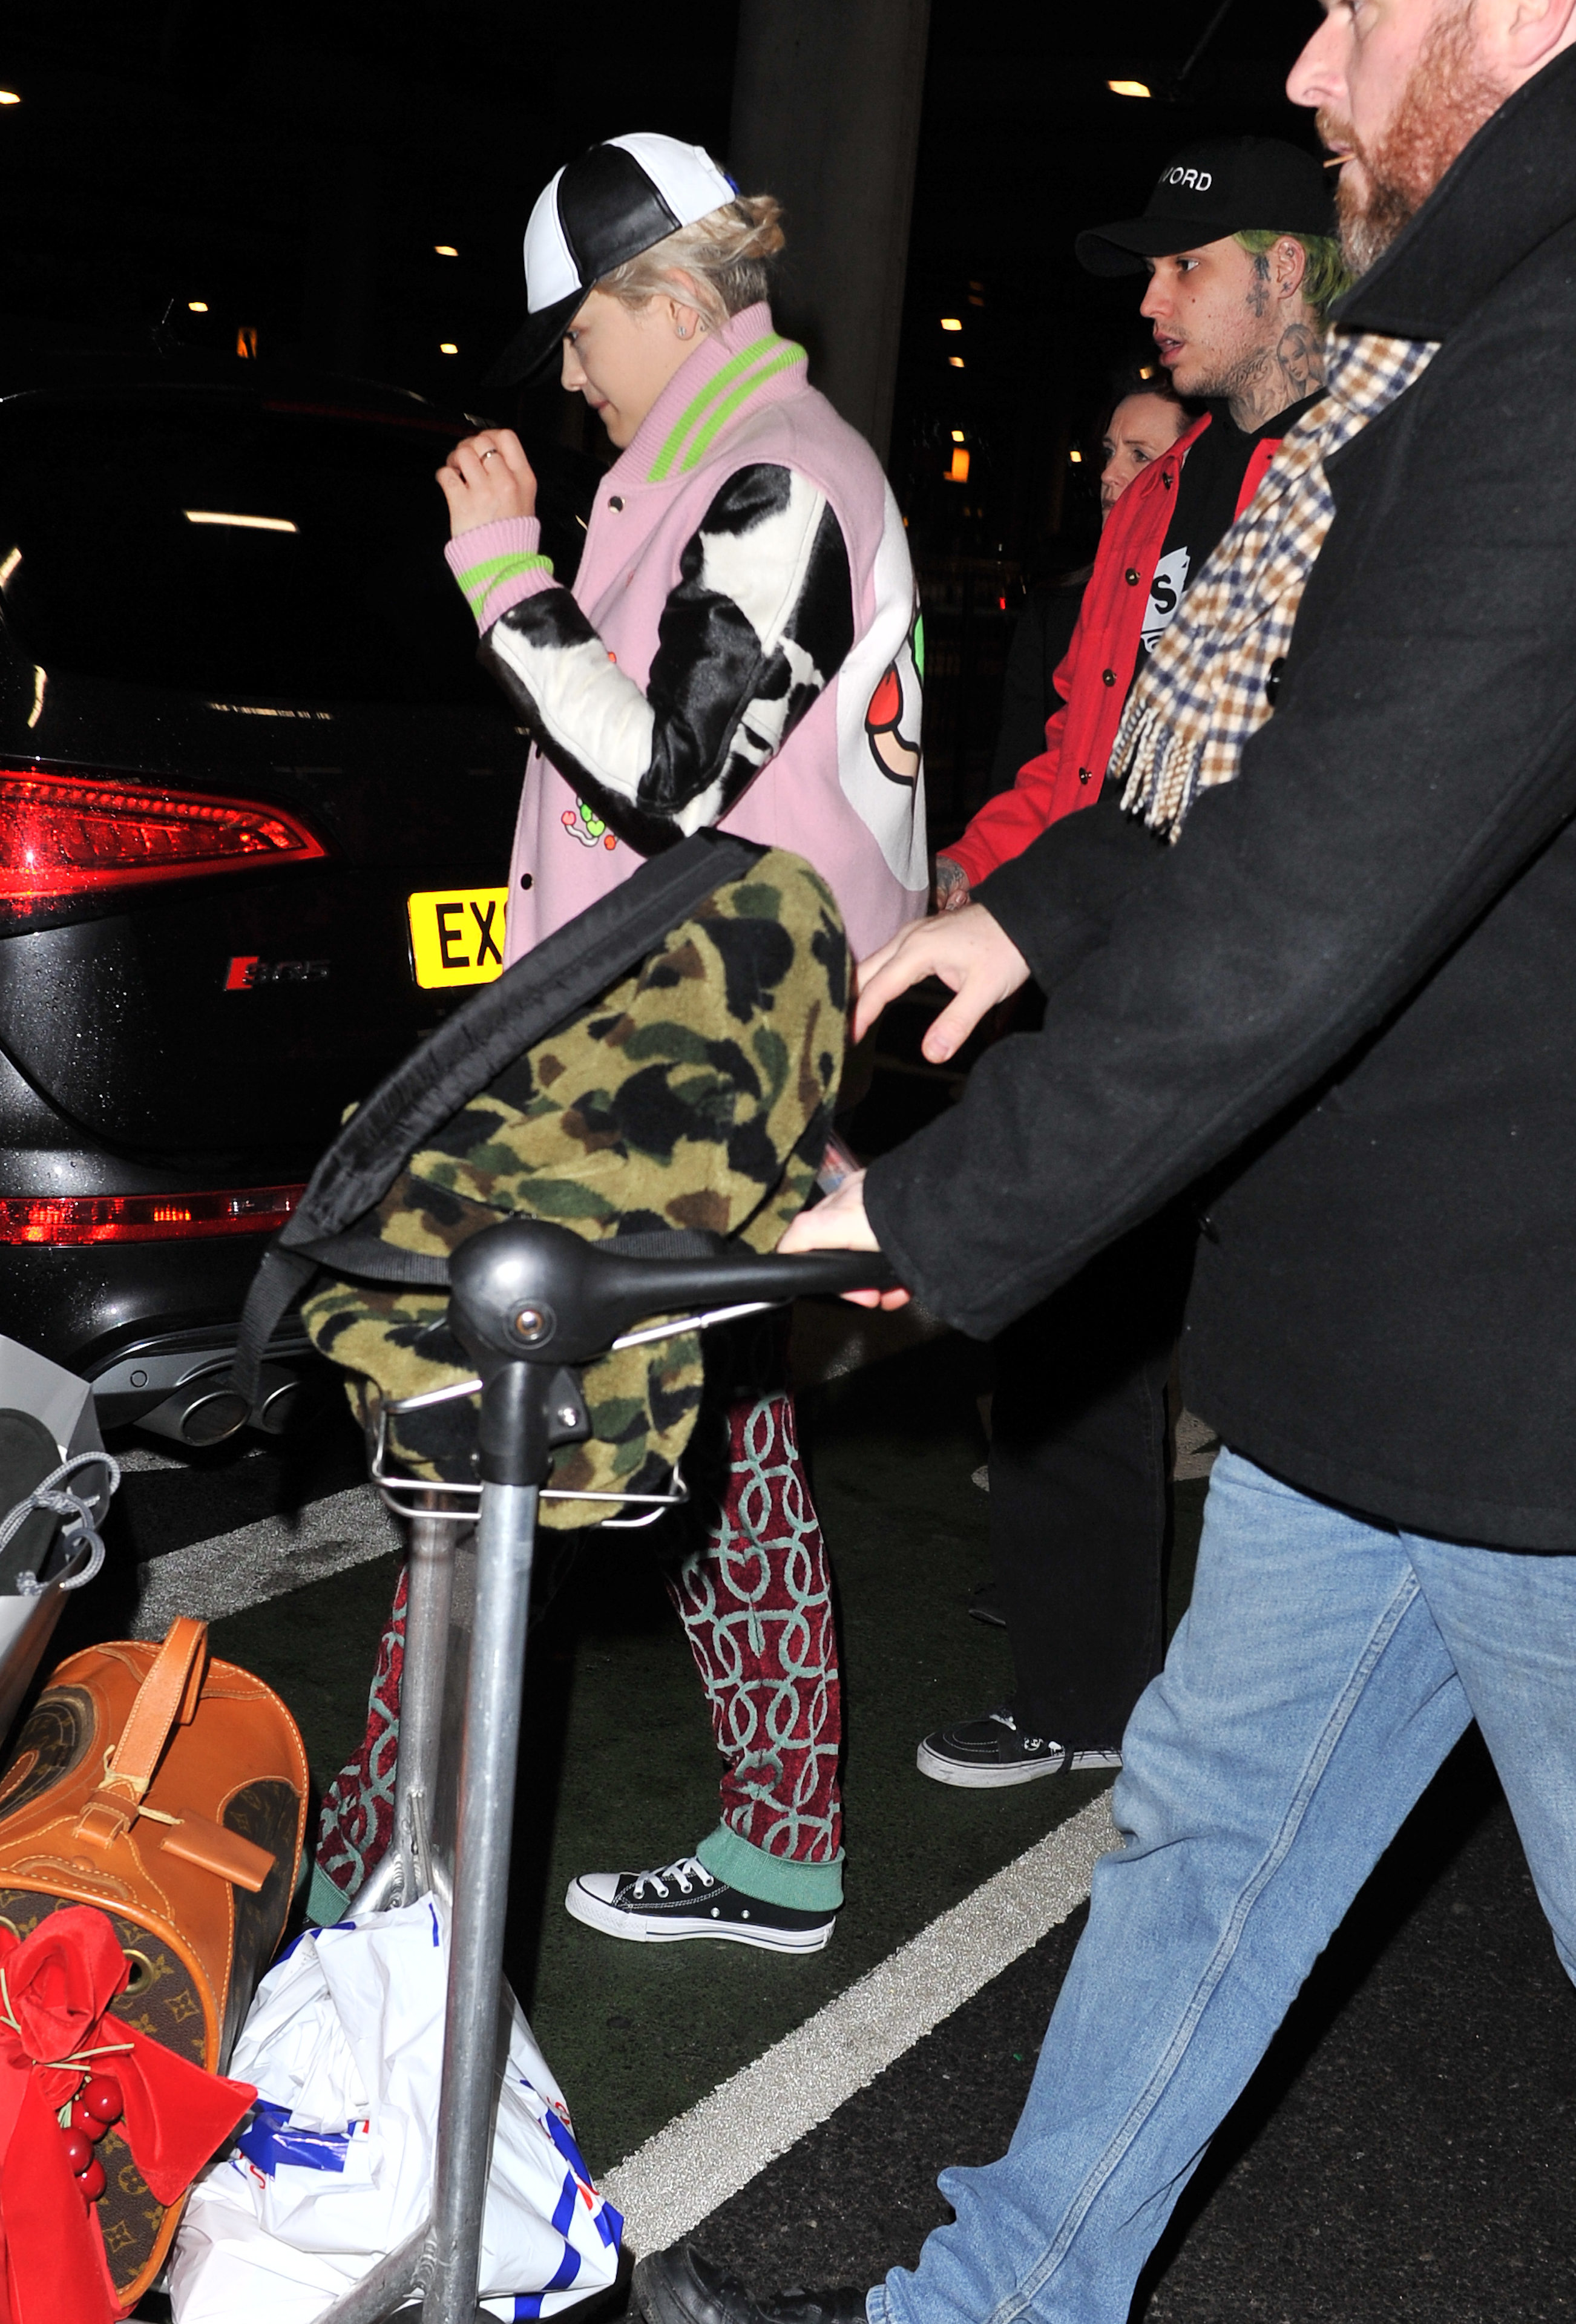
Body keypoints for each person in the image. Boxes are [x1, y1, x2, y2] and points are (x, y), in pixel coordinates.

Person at [633, 0, 1576, 2314]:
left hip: (1537, 1379)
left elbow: (1330, 877)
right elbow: (1297, 786)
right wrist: (1029, 908)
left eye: (1364, 6)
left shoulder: (1551, 355)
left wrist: (942, 1202)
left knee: (1209, 1841)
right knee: (1201, 1845)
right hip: (1402, 1348)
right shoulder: (1463, 348)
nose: (1312, 62)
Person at [321, 133, 927, 1955]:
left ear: (663, 299)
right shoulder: (722, 469)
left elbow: (671, 770)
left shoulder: (780, 475)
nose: (570, 380)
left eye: (578, 337)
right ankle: (780, 1841)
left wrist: (500, 571)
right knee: (716, 1424)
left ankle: (374, 1875)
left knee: (490, 1429)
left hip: (673, 1066)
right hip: (673, 1053)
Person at [914, 138, 1347, 1793]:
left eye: (1185, 264)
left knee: (1290, 1369)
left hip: (1291, 987)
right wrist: (970, 877)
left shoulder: (1370, 461)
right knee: (1068, 1319)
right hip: (1119, 965)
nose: (1152, 299)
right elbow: (1085, 749)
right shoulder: (1166, 490)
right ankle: (1085, 1689)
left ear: (1286, 269)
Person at [958, 369, 1192, 860]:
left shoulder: (1221, 604)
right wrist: (975, 865)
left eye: (1140, 456)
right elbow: (1020, 772)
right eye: (1109, 452)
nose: (1108, 473)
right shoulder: (1057, 611)